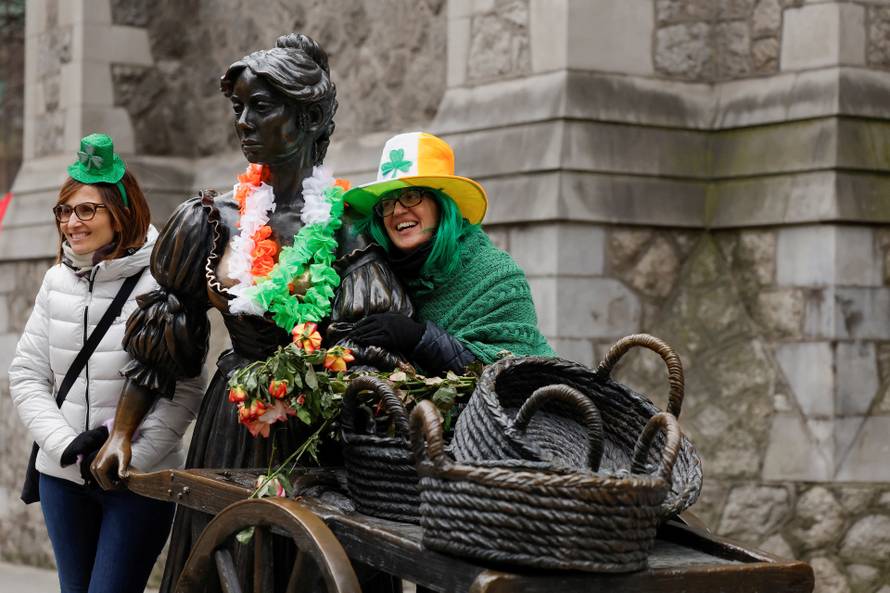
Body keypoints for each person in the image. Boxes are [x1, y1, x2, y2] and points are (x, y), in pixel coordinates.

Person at [89, 34, 409, 592]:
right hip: (232, 426)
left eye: (262, 106)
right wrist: (123, 433)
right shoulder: (210, 220)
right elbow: (165, 335)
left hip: (321, 438)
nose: (243, 120)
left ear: (310, 118)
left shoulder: (349, 232)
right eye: (238, 107)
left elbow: (379, 352)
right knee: (220, 564)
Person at [8, 133, 203, 593]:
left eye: (86, 209)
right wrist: (66, 444)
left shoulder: (163, 281)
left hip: (137, 482)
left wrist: (135, 452)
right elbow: (27, 374)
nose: (72, 223)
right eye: (64, 211)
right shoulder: (55, 280)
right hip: (62, 478)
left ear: (120, 211)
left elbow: (187, 387)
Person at [344, 131, 555, 374]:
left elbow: (511, 373)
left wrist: (419, 337)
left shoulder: (497, 275)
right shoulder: (377, 274)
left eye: (411, 196)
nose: (398, 211)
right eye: (387, 203)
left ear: (441, 205)